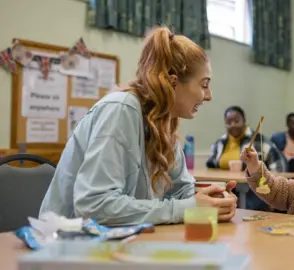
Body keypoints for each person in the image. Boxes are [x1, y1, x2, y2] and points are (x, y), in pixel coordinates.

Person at [39, 27, 237, 225]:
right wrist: (189, 208)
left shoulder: (165, 120)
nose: (209, 96)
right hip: (68, 242)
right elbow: (94, 207)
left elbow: (181, 190)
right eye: (204, 85)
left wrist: (213, 197)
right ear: (173, 83)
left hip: (118, 241)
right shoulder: (120, 109)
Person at [206, 105, 287, 211]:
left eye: (237, 121)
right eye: (229, 122)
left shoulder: (258, 140)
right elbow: (211, 165)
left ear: (244, 121)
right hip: (227, 188)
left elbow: (279, 166)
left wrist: (272, 189)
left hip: (253, 190)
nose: (233, 125)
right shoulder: (220, 143)